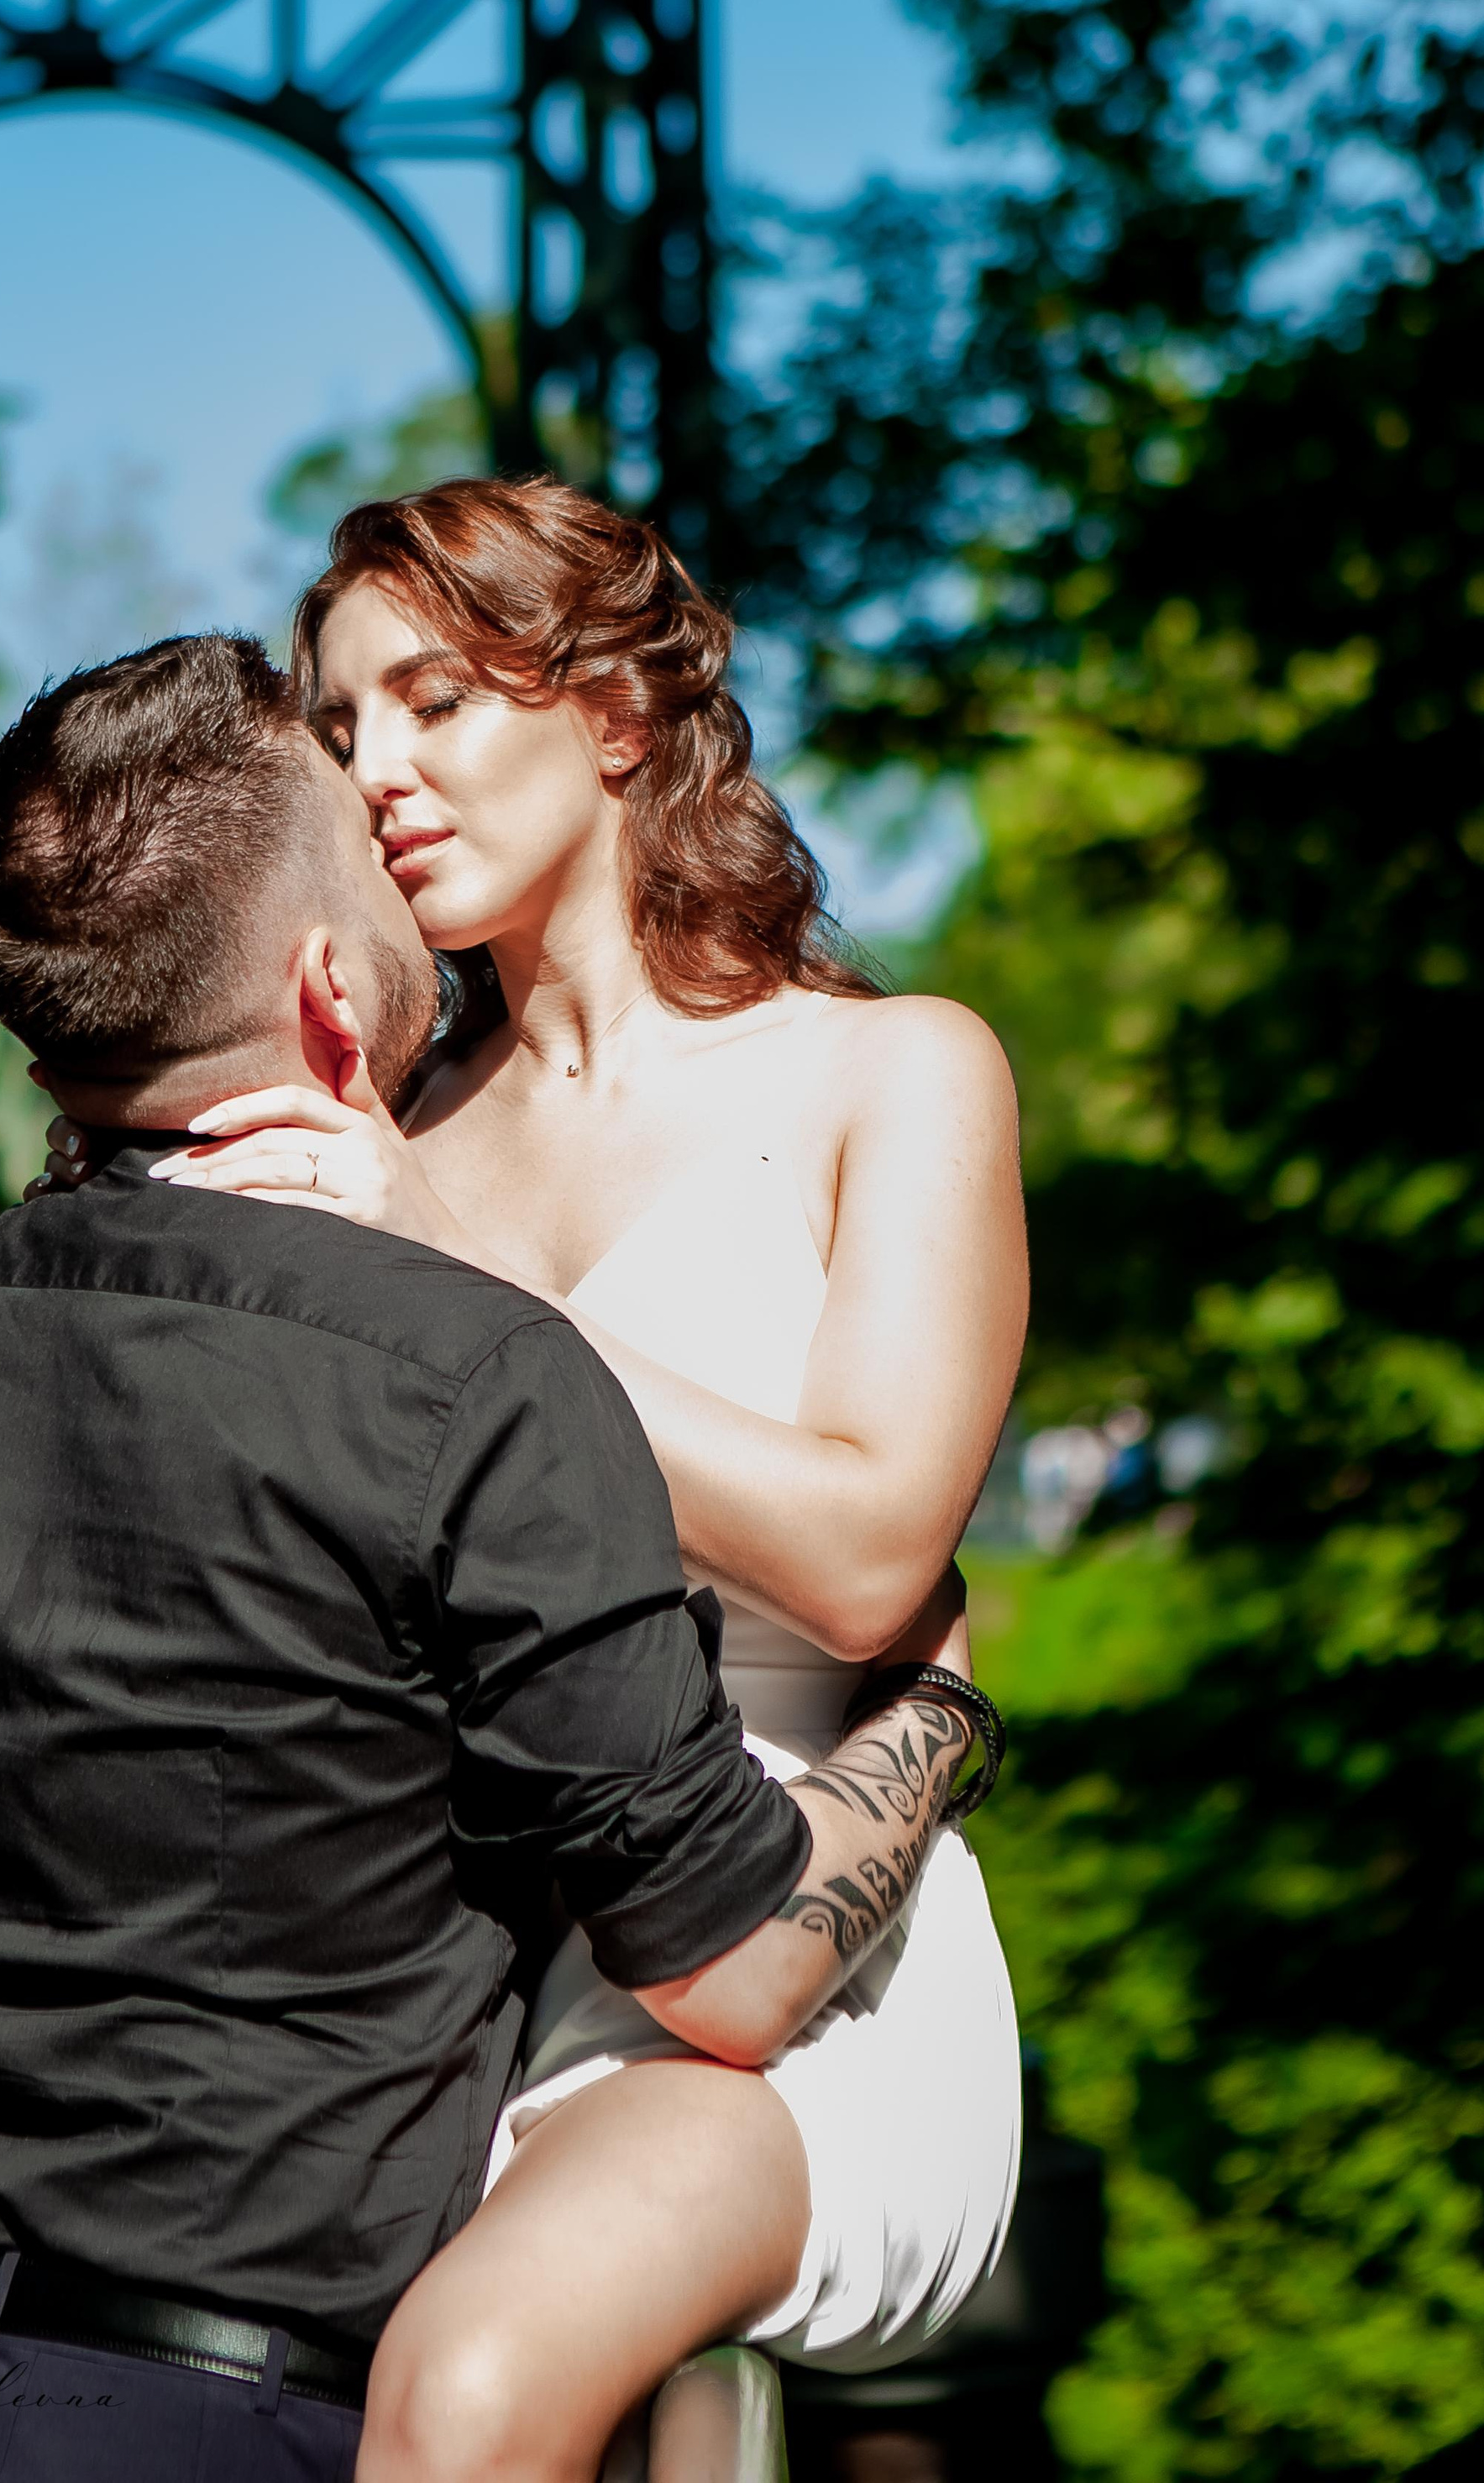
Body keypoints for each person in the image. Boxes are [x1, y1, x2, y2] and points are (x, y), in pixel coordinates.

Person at [0, 633, 986, 2483]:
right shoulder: (471, 1380)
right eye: (366, 848)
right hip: (217, 2418)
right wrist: (937, 1709)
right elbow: (730, 1975)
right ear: (321, 991)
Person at [57, 480, 1030, 2430]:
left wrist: (455, 1283)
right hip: (402, 1957)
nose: (377, 774)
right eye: (338, 731)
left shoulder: (887, 1071)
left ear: (610, 712)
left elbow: (863, 1562)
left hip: (783, 1955)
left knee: (473, 2375)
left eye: (433, 698)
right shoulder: (357, 1131)